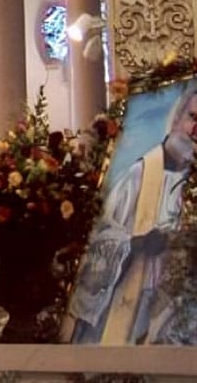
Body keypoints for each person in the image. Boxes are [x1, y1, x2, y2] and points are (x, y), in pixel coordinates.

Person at [69, 80, 197, 344]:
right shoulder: (139, 175)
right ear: (175, 118)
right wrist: (136, 244)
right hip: (136, 299)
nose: (195, 130)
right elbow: (101, 238)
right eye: (192, 117)